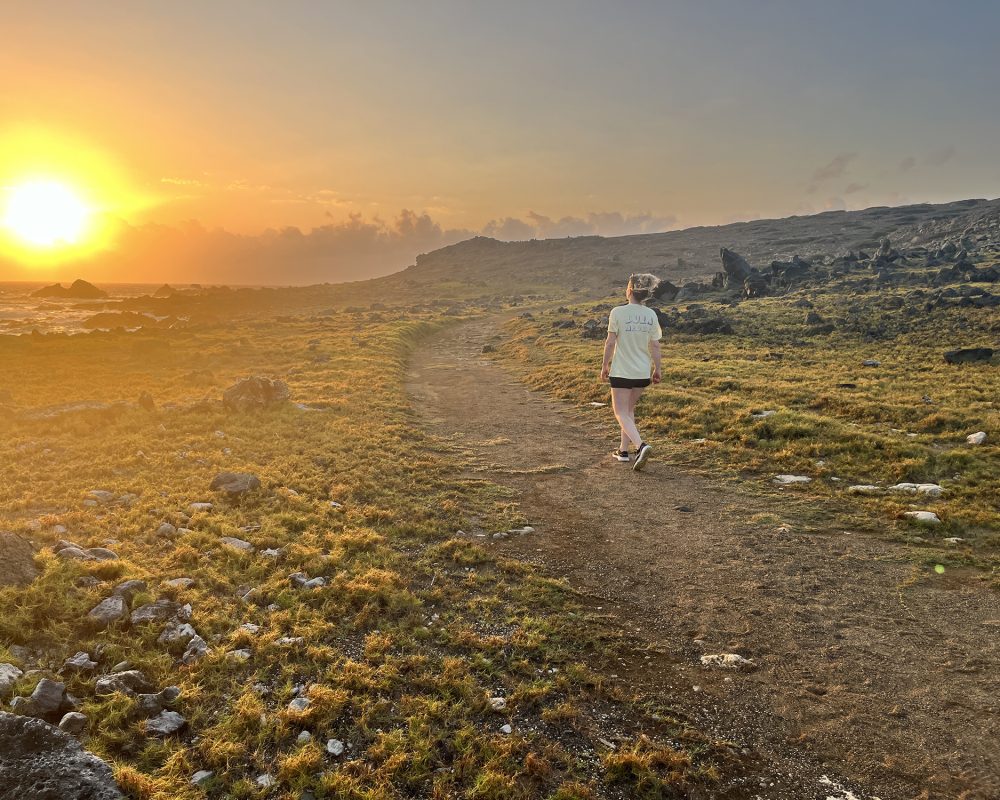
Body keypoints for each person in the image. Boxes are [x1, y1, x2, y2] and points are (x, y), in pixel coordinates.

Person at [600, 273, 662, 470]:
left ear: (629, 291)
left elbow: (610, 342)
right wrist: (657, 369)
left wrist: (604, 366)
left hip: (622, 371)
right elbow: (655, 345)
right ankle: (623, 451)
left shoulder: (617, 312)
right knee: (628, 411)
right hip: (642, 372)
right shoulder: (651, 314)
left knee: (620, 412)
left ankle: (641, 446)